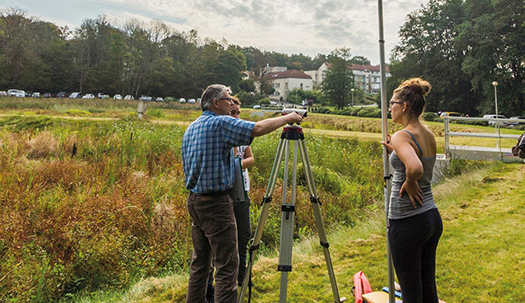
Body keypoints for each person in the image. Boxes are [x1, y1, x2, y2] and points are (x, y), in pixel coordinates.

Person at [182, 84, 303, 303]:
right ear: (216, 103)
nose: (231, 104)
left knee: (200, 265)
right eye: (228, 100)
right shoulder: (219, 122)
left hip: (195, 201)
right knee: (227, 266)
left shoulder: (192, 127)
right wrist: (287, 119)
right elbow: (256, 128)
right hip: (217, 204)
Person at [381, 78, 443, 303]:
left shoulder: (402, 135)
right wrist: (394, 152)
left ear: (404, 106)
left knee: (410, 293)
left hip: (407, 221)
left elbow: (415, 167)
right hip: (430, 217)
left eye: (392, 103)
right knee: (428, 289)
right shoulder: (427, 134)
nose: (390, 108)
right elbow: (421, 163)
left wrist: (409, 181)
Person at [205, 97, 255, 303]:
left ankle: (242, 277)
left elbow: (251, 158)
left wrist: (237, 164)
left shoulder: (241, 136)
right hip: (222, 193)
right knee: (215, 243)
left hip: (242, 190)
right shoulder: (217, 133)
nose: (236, 116)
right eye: (232, 112)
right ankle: (210, 285)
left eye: (238, 113)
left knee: (244, 236)